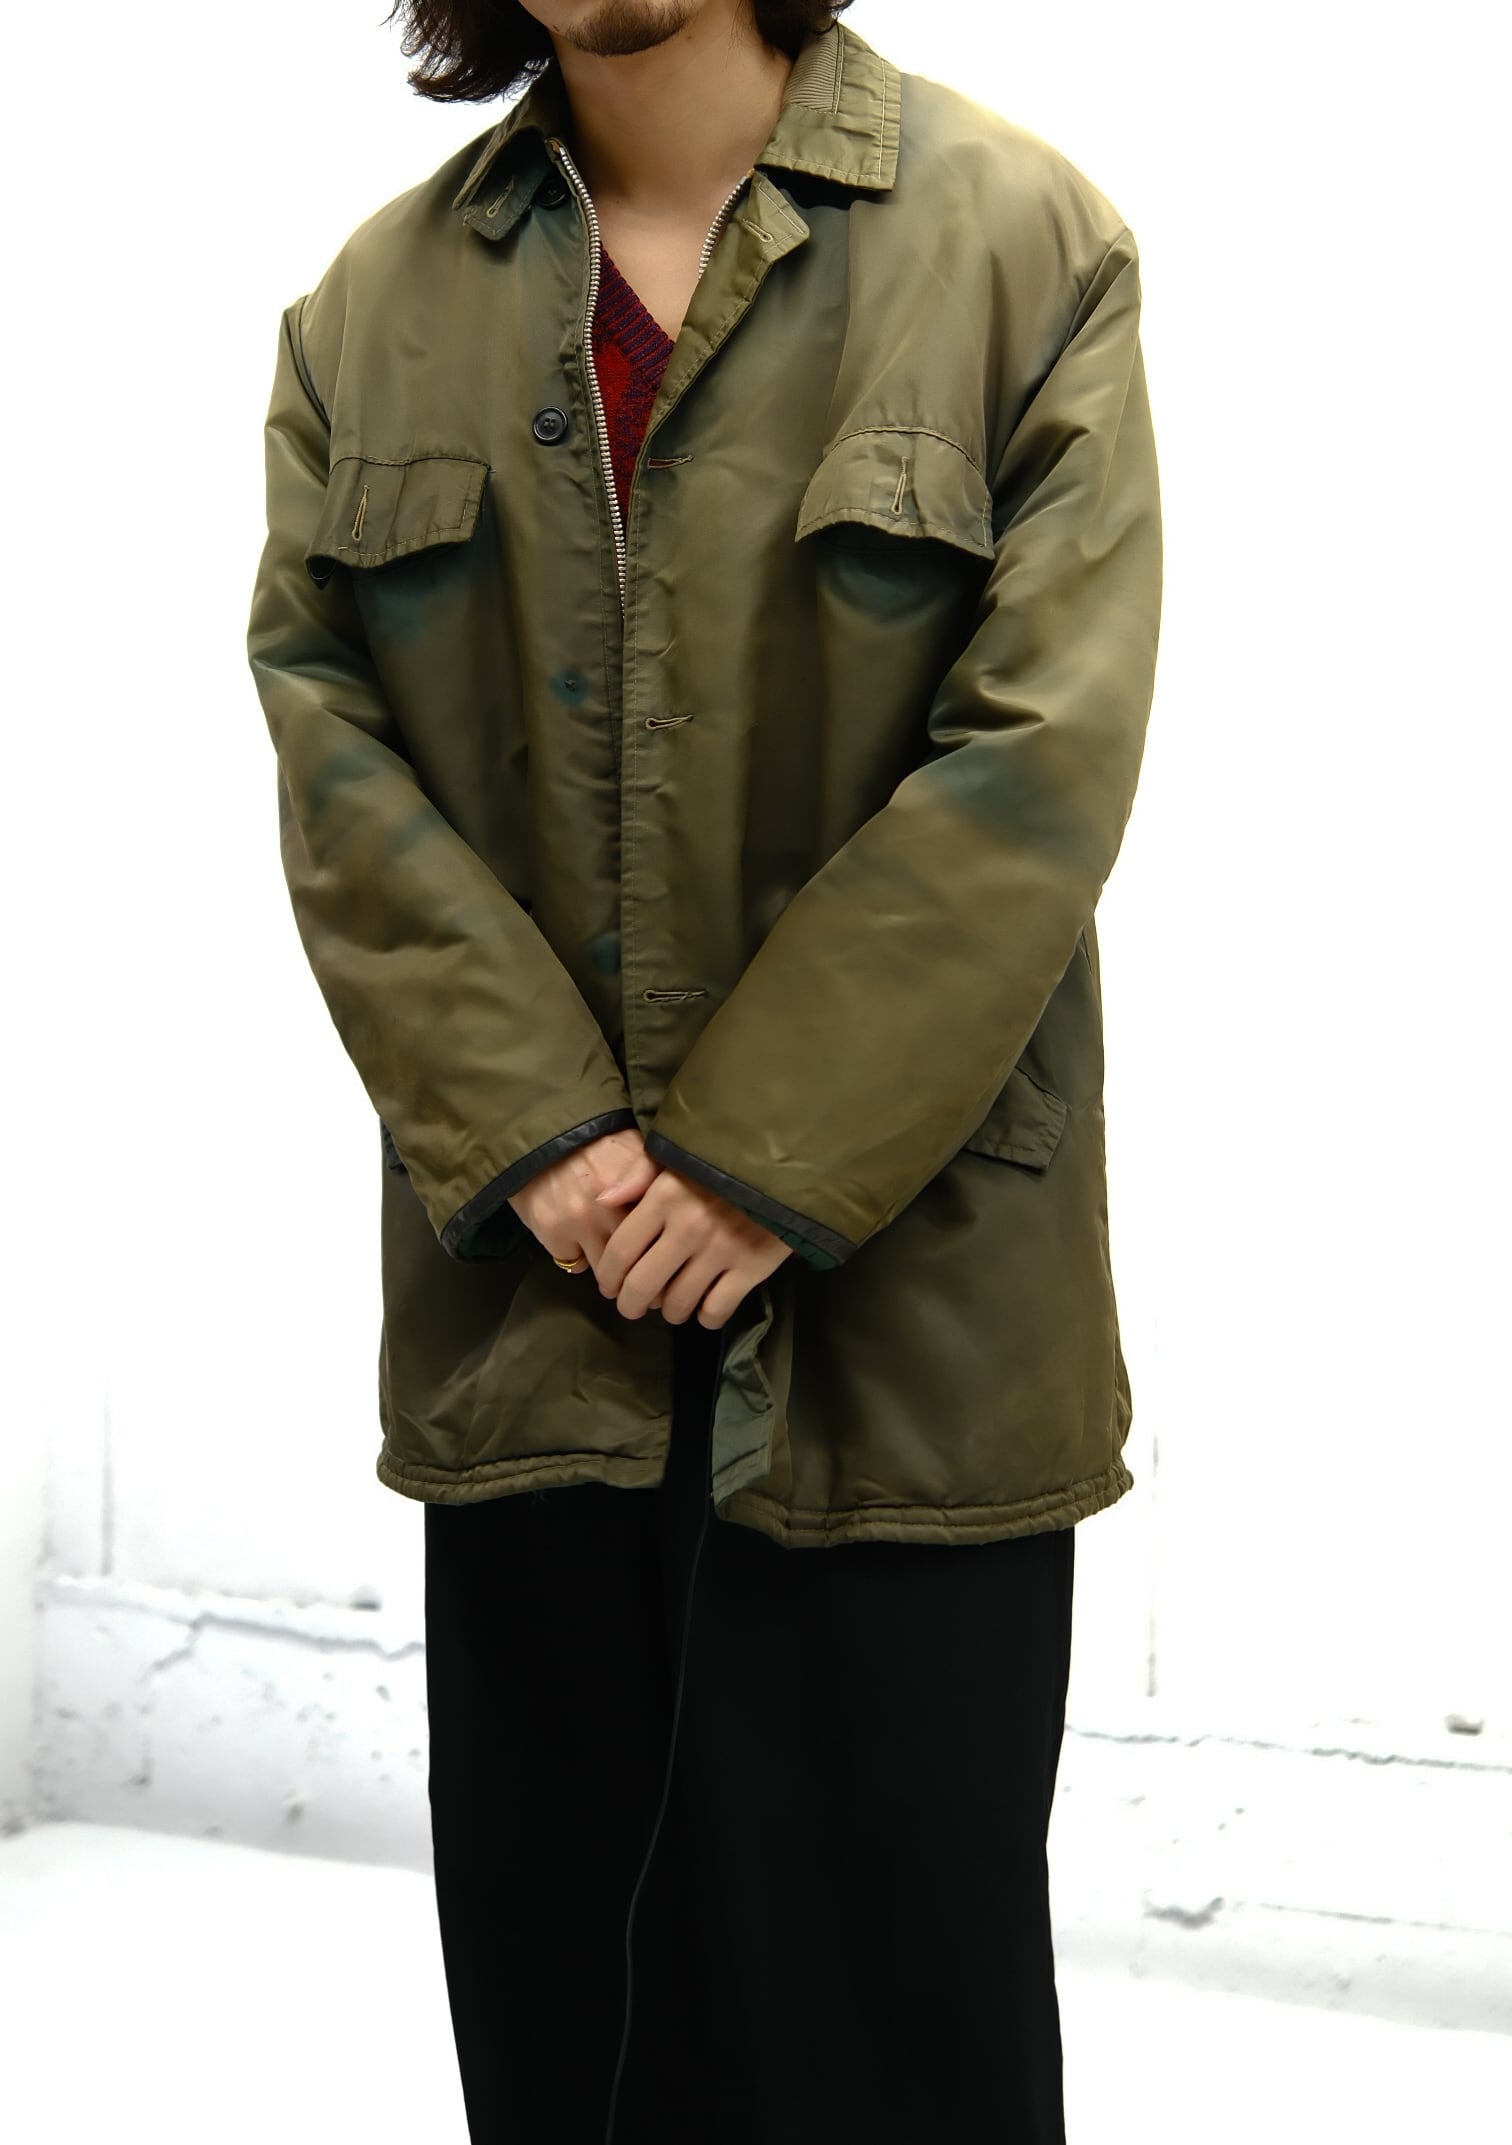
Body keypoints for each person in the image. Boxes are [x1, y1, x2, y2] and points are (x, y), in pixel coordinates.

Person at [244, 2, 1163, 2137]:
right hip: (535, 1310)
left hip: (904, 1318)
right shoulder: (368, 312)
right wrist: (542, 1134)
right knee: (571, 2022)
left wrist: (758, 1157)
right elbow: (329, 744)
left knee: (896, 2024)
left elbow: (1038, 758)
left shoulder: (1021, 245)